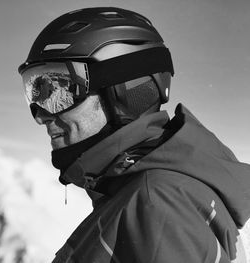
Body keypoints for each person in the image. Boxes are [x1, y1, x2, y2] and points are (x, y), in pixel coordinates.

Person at [18, 7, 250, 262]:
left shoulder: (156, 205)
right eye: (35, 91)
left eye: (60, 93)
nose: (41, 115)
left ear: (124, 92)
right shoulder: (145, 195)